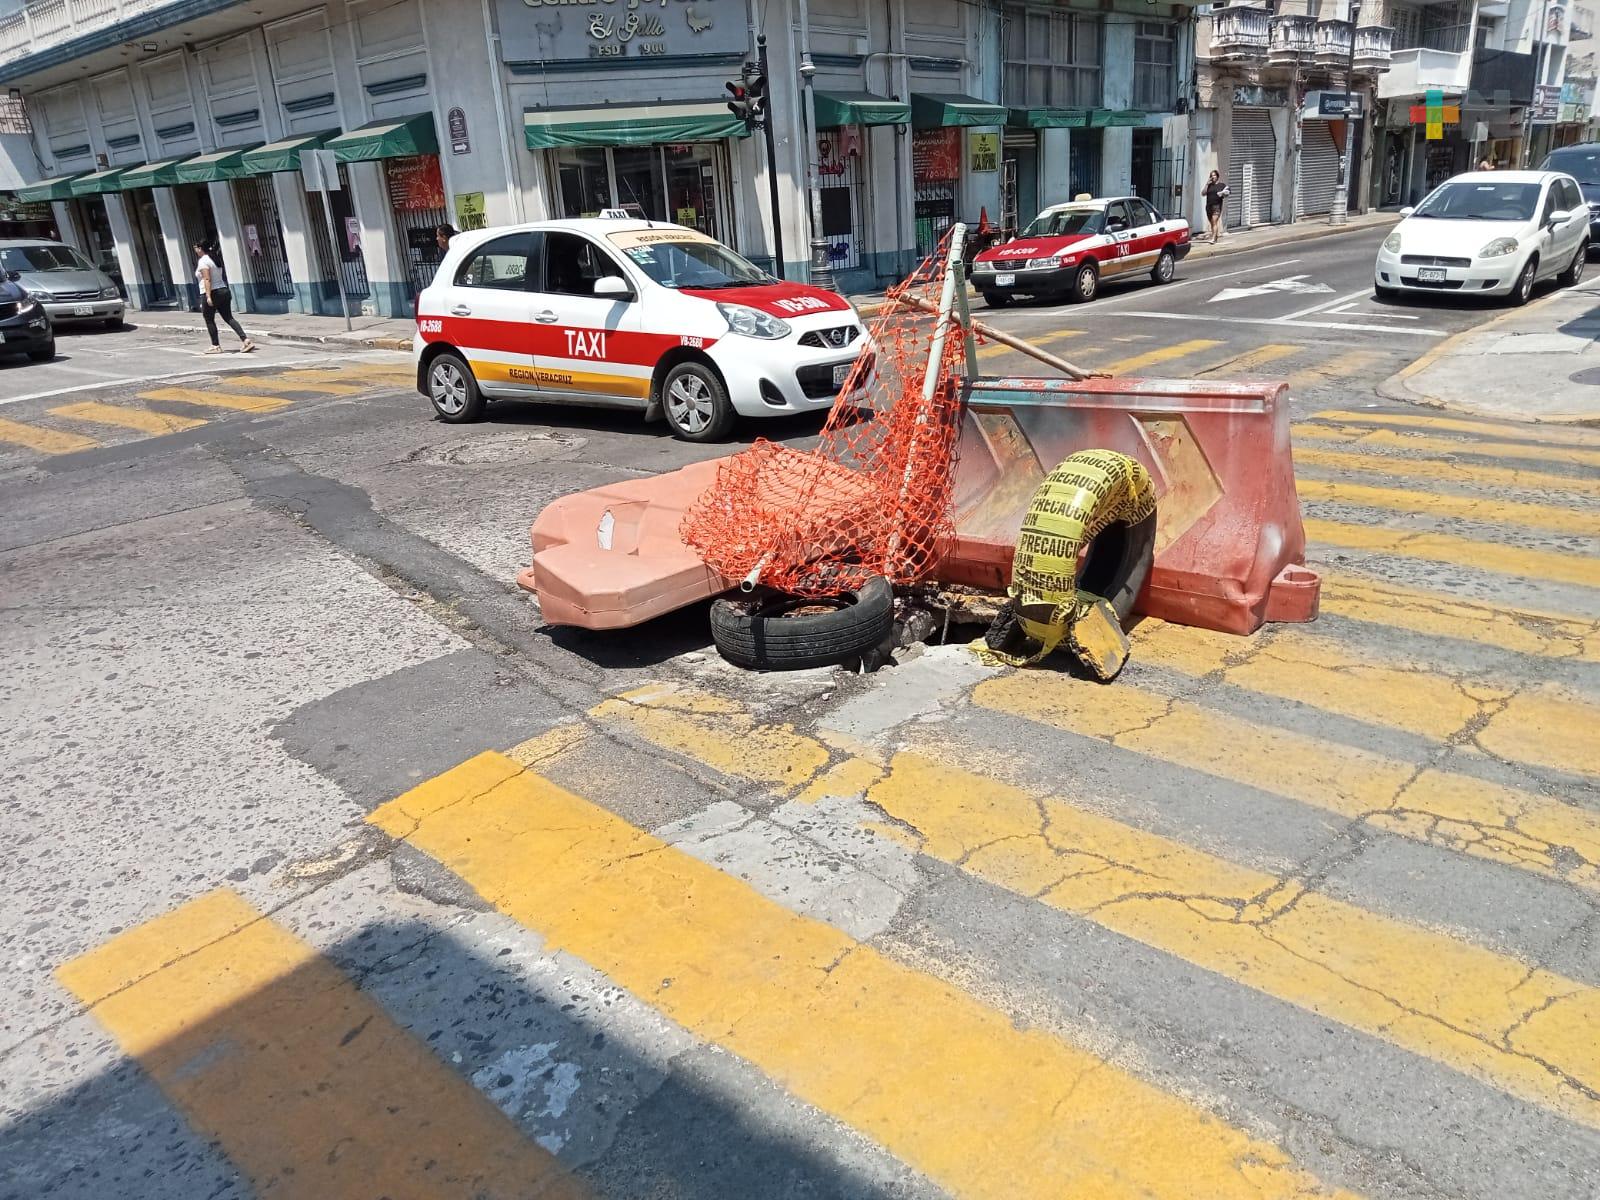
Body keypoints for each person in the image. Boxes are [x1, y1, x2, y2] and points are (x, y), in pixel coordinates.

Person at [194, 241, 252, 354]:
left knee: (209, 319)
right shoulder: (215, 258)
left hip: (213, 292)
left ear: (200, 248)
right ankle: (245, 340)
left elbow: (207, 279)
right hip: (224, 290)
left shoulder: (203, 261)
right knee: (228, 317)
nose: (195, 251)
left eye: (196, 248)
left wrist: (208, 296)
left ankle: (215, 345)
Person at [1202, 170, 1229, 243]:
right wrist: (1207, 184)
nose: (1212, 177)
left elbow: (1227, 192)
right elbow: (1203, 193)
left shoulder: (1222, 185)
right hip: (1208, 206)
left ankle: (1213, 239)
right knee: (1212, 223)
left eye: (1214, 175)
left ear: (1217, 176)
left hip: (1217, 206)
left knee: (1214, 221)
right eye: (1211, 175)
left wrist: (1223, 194)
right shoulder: (1209, 185)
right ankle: (1215, 236)